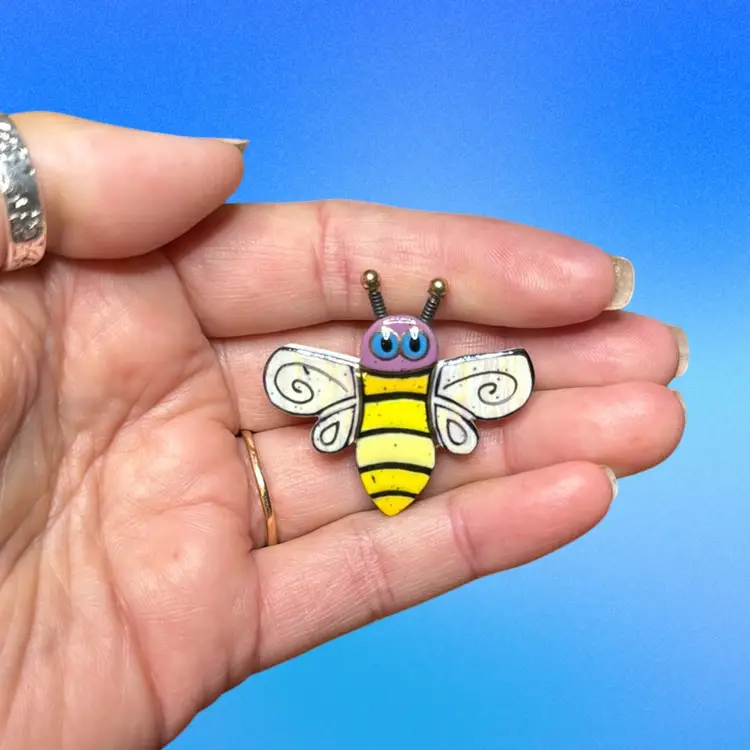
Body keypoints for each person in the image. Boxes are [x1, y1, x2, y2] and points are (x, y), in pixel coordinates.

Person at [0, 111, 687, 749]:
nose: (398, 342)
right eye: (389, 339)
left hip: (386, 445)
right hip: (406, 446)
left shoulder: (353, 377)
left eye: (408, 340)